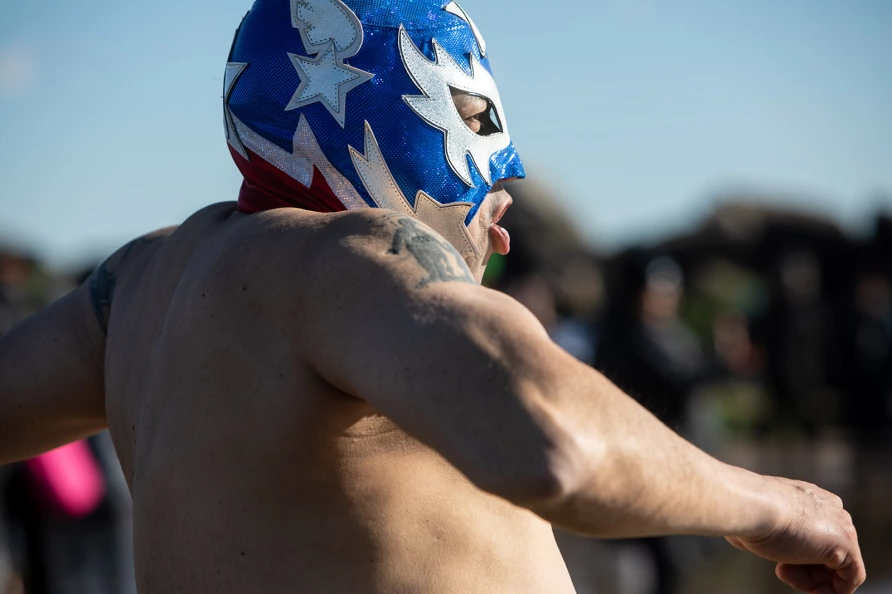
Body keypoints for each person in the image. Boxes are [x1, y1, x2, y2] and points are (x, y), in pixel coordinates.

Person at [0, 1, 865, 592]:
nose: (508, 196)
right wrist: (776, 506)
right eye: (483, 127)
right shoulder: (353, 255)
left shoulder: (139, 287)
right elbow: (552, 443)